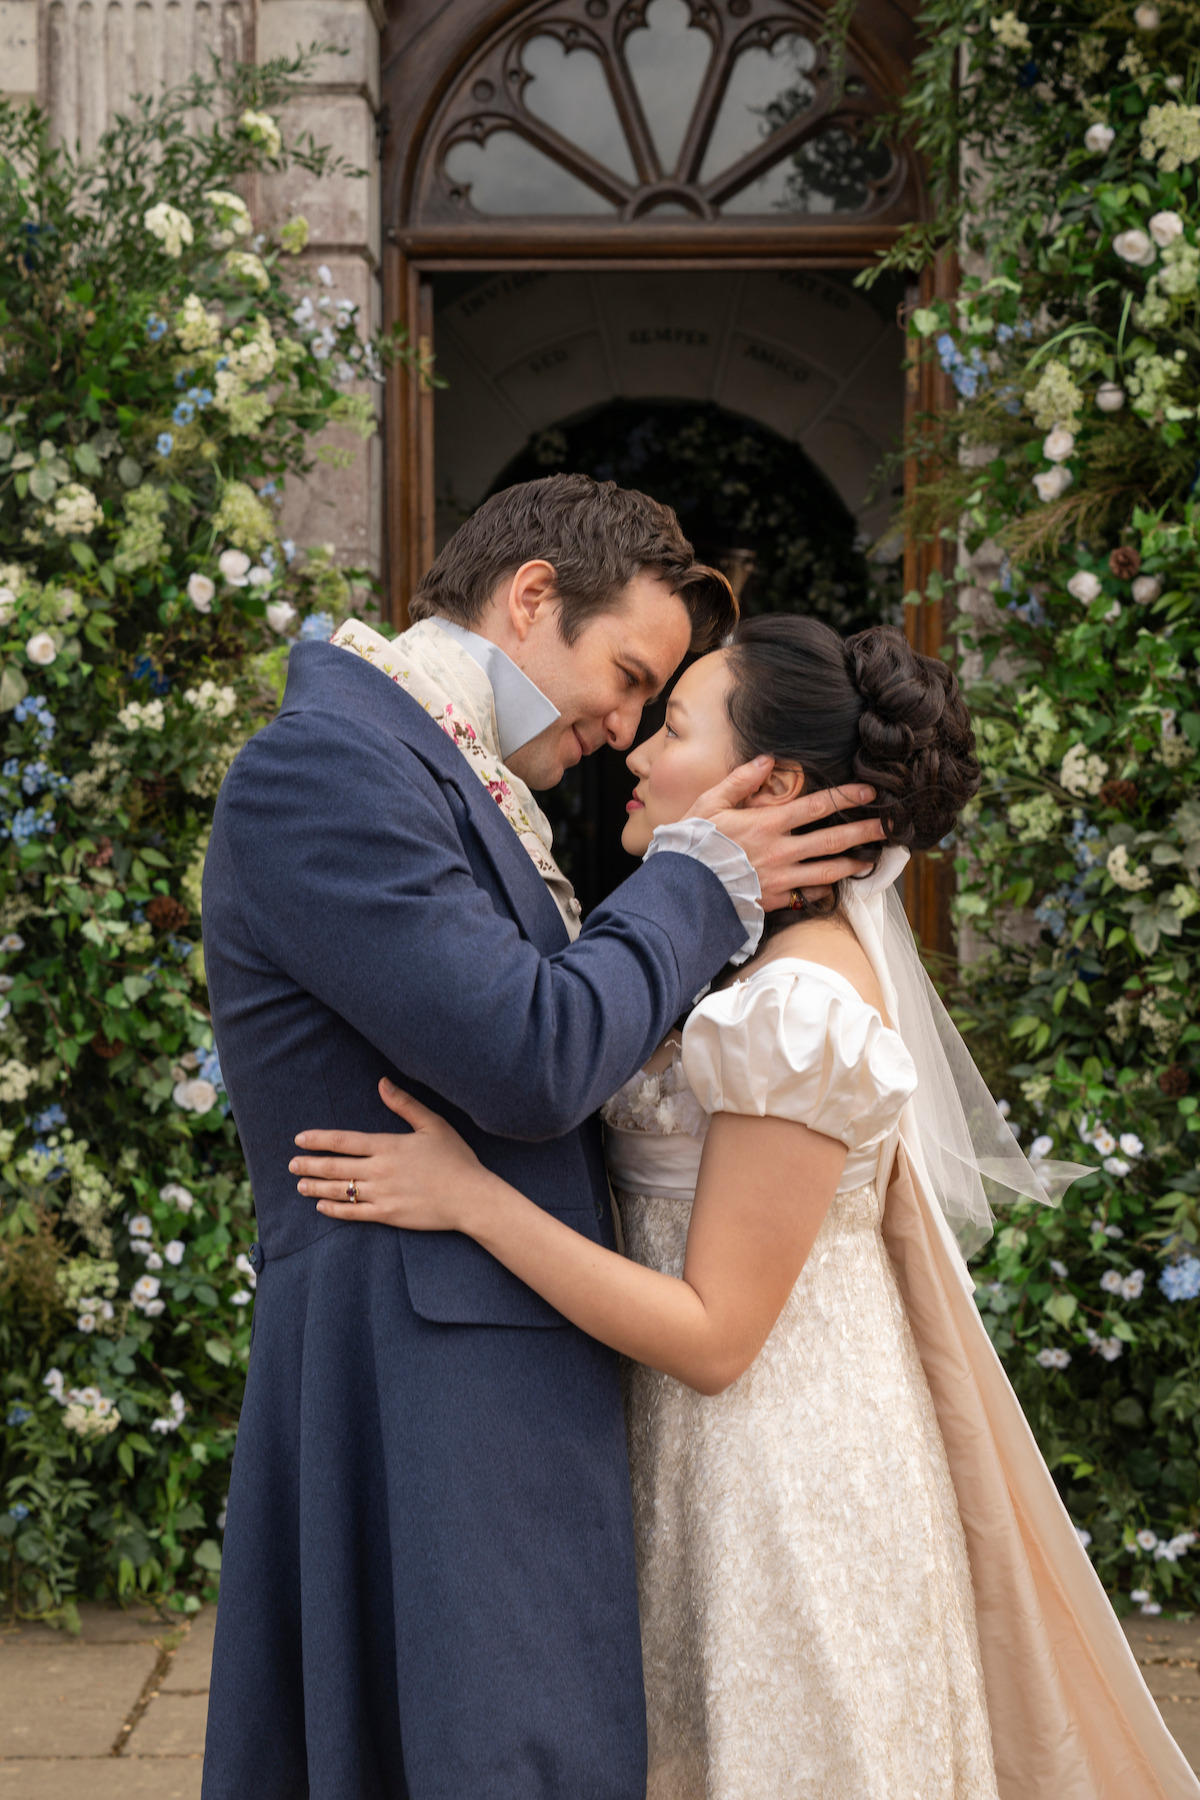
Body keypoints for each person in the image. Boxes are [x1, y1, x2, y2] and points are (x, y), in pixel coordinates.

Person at [294, 615, 1200, 1800]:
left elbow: (719, 1336)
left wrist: (470, 1200)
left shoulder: (799, 1008)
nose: (633, 749)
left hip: (784, 1485)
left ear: (763, 783)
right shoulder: (732, 969)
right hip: (695, 1469)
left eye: (671, 724)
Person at [199, 478, 887, 1800]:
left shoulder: (441, 768)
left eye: (652, 703)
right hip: (419, 1388)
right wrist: (700, 877)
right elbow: (531, 1056)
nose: (622, 728)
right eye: (627, 676)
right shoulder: (327, 767)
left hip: (481, 1377)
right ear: (530, 597)